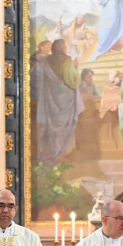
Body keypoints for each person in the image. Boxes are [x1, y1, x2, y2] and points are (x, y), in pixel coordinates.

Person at [35, 39, 83, 167]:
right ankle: (59, 155)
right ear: (62, 48)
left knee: (52, 127)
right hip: (65, 100)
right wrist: (75, 66)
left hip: (51, 100)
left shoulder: (46, 61)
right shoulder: (66, 61)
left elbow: (36, 79)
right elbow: (74, 82)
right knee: (63, 127)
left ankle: (52, 154)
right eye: (65, 47)